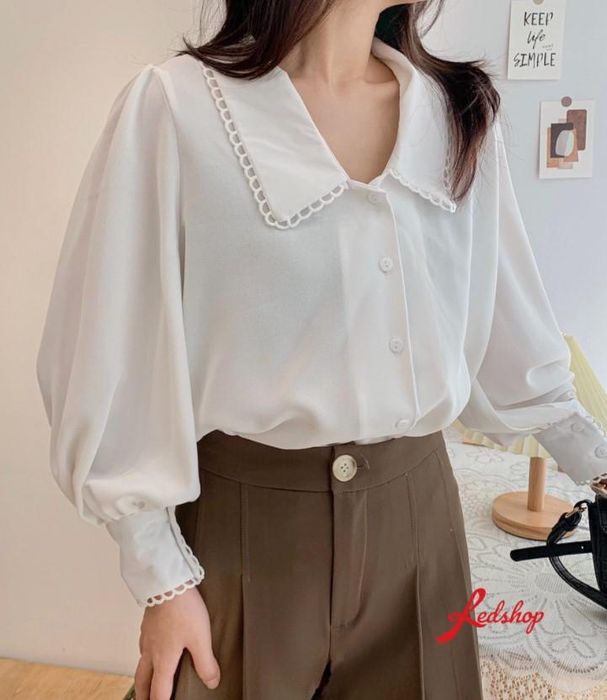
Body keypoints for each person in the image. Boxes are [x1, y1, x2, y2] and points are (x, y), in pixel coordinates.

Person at [36, 0, 607, 698]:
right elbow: (108, 347)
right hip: (241, 534)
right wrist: (161, 579)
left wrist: (597, 464)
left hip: (419, 527)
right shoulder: (174, 109)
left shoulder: (456, 112)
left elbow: (509, 329)